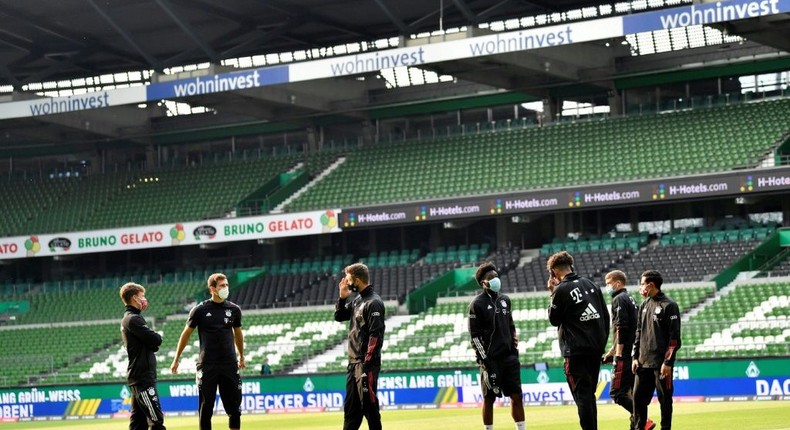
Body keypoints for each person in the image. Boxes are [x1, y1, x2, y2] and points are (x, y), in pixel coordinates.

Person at [170, 273, 245, 430]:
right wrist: (176, 358)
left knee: (235, 409)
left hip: (229, 364)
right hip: (207, 365)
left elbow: (238, 333)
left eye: (227, 285)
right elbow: (185, 334)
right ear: (212, 289)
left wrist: (241, 356)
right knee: (206, 408)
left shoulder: (234, 309)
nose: (226, 288)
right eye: (222, 286)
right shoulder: (199, 310)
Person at [547, 251, 609, 430]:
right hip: (595, 350)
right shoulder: (591, 284)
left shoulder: (560, 290)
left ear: (554, 272)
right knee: (589, 395)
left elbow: (554, 320)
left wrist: (552, 292)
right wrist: (601, 344)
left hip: (575, 352)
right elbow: (605, 316)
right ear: (571, 266)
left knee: (582, 396)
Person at [468, 262, 526, 430]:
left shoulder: (505, 300)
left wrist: (515, 354)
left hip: (509, 359)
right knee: (489, 399)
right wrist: (485, 362)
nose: (496, 279)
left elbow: (511, 328)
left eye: (496, 276)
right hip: (490, 360)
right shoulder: (476, 304)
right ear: (483, 283)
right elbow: (475, 337)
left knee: (517, 396)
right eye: (491, 277)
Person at [601, 270, 656, 430]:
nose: (607, 286)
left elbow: (621, 327)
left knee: (617, 394)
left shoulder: (619, 299)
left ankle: (643, 420)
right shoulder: (631, 299)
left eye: (608, 283)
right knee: (631, 393)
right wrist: (611, 351)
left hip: (625, 355)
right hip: (634, 354)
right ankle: (637, 424)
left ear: (618, 283)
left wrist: (617, 353)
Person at [334, 263, 385, 430]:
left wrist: (366, 365)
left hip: (365, 365)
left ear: (357, 280)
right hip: (353, 364)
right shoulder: (357, 300)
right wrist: (342, 298)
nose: (347, 282)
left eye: (349, 279)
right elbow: (339, 316)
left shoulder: (374, 303)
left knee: (369, 409)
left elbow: (376, 336)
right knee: (351, 412)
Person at [632, 270, 681, 430]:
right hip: (642, 363)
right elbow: (638, 332)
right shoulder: (644, 305)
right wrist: (634, 357)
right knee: (638, 400)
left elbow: (674, 339)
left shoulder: (669, 306)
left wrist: (668, 362)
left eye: (642, 283)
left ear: (650, 285)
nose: (641, 287)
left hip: (661, 365)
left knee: (665, 400)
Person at [120, 282, 166, 430]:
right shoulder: (133, 319)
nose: (144, 299)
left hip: (139, 376)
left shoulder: (130, 318)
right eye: (142, 296)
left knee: (138, 424)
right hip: (143, 378)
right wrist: (153, 340)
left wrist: (151, 342)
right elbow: (156, 340)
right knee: (156, 421)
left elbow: (152, 344)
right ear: (134, 298)